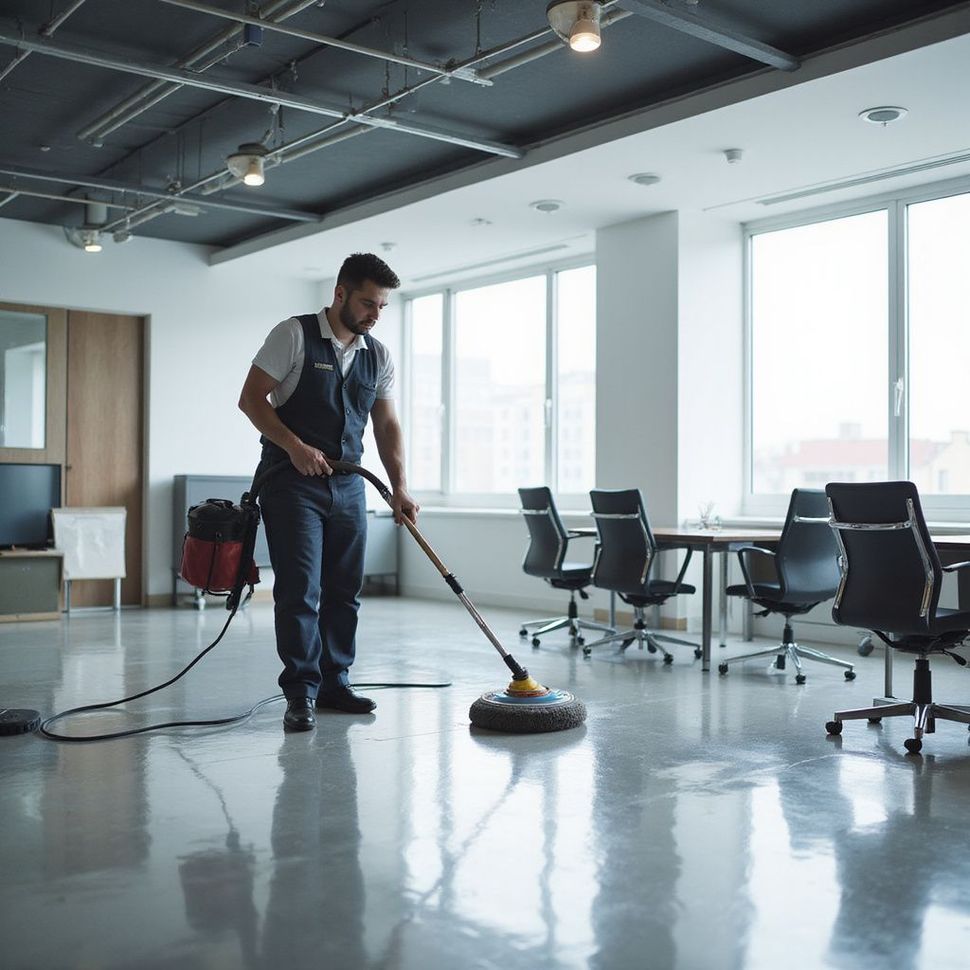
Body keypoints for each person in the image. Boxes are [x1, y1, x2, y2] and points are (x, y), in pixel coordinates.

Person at [238, 252, 418, 731]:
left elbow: (386, 423)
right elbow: (251, 399)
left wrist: (398, 488)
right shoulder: (293, 335)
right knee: (300, 591)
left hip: (349, 488)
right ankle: (301, 692)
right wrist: (295, 446)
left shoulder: (376, 354)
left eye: (381, 306)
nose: (375, 315)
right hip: (291, 484)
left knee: (344, 591)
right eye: (367, 303)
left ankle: (336, 682)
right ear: (339, 294)